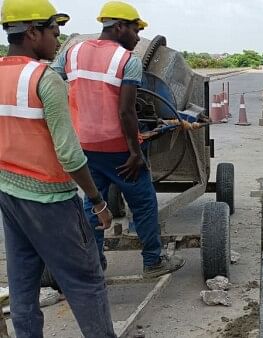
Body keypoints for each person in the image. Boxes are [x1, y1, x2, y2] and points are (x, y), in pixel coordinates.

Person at [0, 0, 116, 335]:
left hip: (10, 195)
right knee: (86, 283)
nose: (58, 38)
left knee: (23, 287)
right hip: (50, 200)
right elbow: (69, 154)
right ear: (33, 32)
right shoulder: (44, 78)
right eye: (54, 30)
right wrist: (97, 201)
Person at [52, 0, 184, 277]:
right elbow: (126, 112)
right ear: (120, 27)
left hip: (85, 146)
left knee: (93, 204)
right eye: (135, 31)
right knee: (145, 203)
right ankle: (153, 262)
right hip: (119, 149)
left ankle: (95, 264)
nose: (137, 38)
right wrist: (135, 153)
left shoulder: (72, 53)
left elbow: (50, 83)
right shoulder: (127, 61)